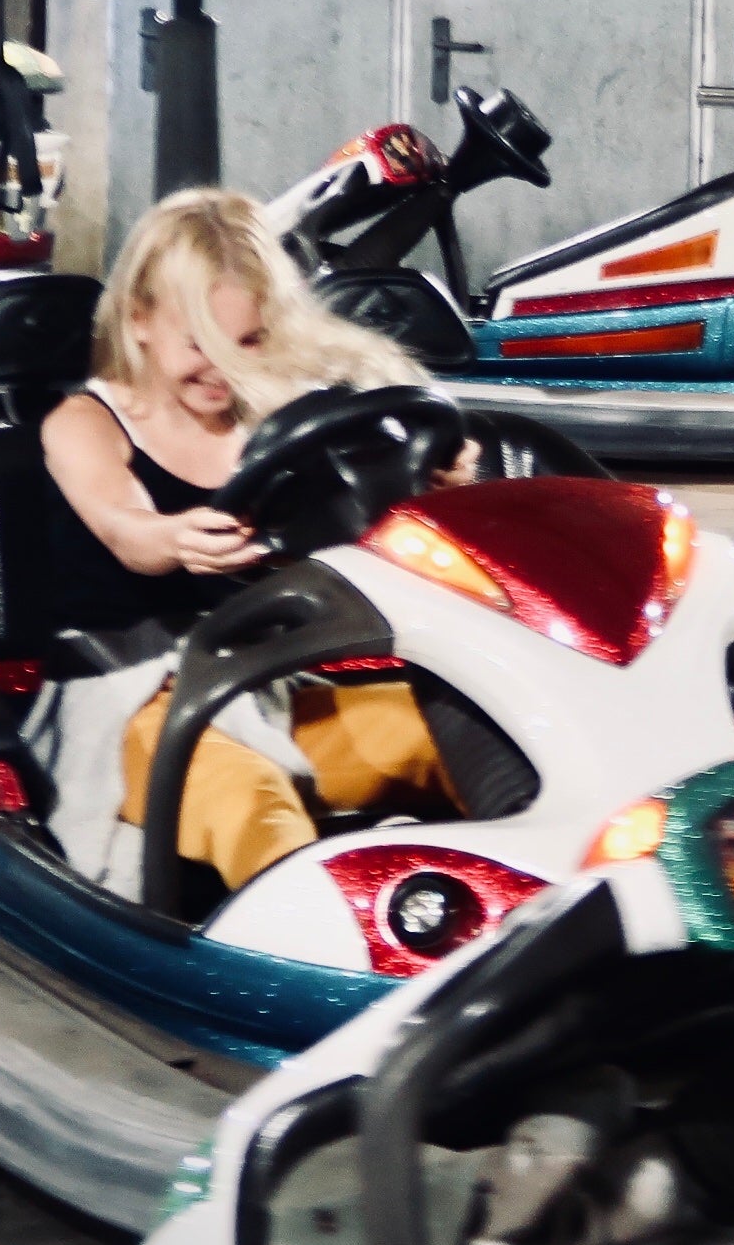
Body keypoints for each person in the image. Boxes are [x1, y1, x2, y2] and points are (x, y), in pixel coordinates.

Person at [35, 186, 471, 895]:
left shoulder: (272, 422)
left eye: (249, 342)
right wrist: (172, 537)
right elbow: (123, 526)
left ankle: (555, 914)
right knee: (256, 804)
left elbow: (364, 516)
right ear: (140, 320)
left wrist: (432, 477)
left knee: (457, 731)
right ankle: (312, 950)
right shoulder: (87, 422)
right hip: (130, 705)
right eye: (198, 344)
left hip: (257, 691)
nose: (222, 369)